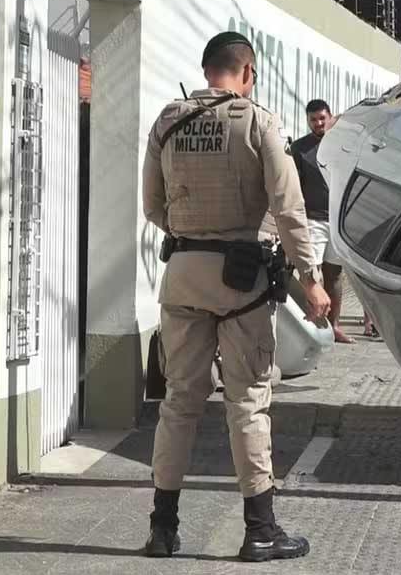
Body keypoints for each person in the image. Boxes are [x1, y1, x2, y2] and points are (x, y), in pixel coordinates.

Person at [141, 31, 330, 563]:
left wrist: (190, 237)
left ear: (207, 71)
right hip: (242, 280)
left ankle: (162, 528)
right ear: (248, 72)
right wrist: (310, 279)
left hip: (182, 274)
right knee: (247, 404)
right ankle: (260, 531)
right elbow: (291, 209)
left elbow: (151, 206)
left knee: (179, 402)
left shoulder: (167, 120)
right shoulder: (258, 121)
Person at [289, 99, 356, 344]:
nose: (318, 123)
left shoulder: (344, 146)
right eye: (313, 120)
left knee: (334, 275)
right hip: (312, 220)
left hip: (337, 221)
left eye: (321, 118)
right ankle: (312, 329)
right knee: (310, 275)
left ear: (330, 117)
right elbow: (293, 186)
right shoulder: (299, 148)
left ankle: (334, 326)